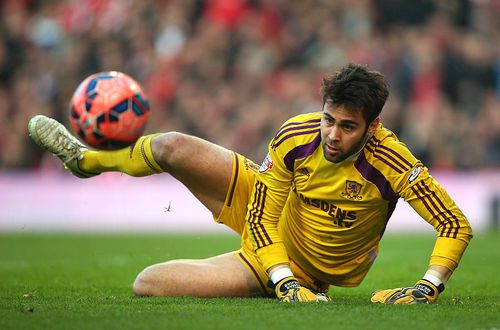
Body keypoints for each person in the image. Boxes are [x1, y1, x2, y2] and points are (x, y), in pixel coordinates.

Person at [28, 63, 472, 303]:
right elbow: (260, 217)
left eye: (348, 127)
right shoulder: (297, 136)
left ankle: (280, 281)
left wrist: (428, 286)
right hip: (271, 227)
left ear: (372, 127)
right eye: (328, 120)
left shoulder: (392, 160)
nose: (333, 136)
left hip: (305, 267)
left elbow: (455, 224)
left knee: (148, 283)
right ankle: (86, 160)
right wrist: (283, 284)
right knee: (171, 145)